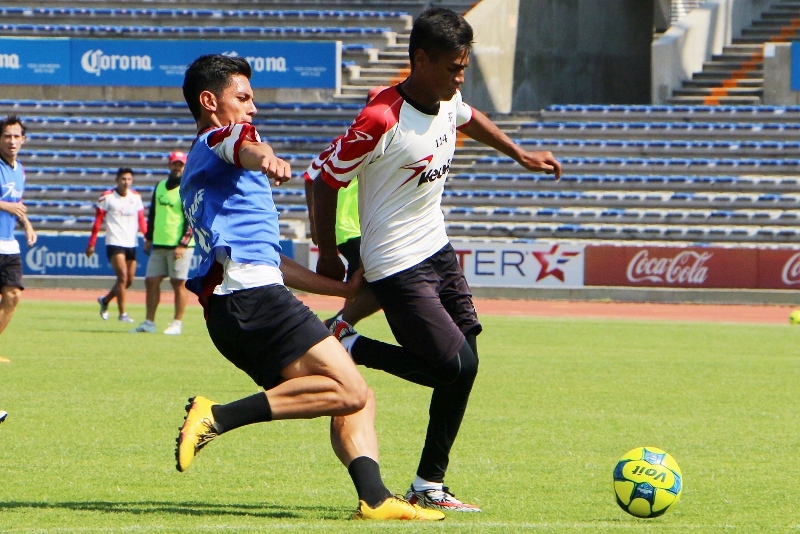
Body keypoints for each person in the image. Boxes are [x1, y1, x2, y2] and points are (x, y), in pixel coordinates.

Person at [175, 53, 444, 522]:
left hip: (235, 308)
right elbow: (245, 142)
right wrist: (268, 158)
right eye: (243, 97)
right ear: (209, 101)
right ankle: (216, 417)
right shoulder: (223, 137)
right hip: (253, 302)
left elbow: (269, 260)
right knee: (351, 391)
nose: (252, 108)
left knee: (351, 392)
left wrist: (340, 291)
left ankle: (375, 498)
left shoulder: (204, 171)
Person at [312, 7, 562, 513]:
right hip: (395, 264)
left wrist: (519, 154)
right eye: (453, 66)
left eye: (465, 66)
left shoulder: (448, 97)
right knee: (451, 366)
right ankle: (347, 341)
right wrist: (327, 254)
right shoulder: (380, 118)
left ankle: (429, 483)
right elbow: (321, 176)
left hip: (437, 250)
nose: (460, 76)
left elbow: (470, 117)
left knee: (465, 365)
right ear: (420, 60)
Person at [303, 87, 386, 328]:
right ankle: (337, 325)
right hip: (347, 228)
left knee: (363, 282)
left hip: (363, 227)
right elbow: (311, 177)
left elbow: (309, 176)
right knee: (385, 280)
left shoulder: (388, 143)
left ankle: (337, 327)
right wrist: (314, 221)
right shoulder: (347, 142)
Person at [131, 151, 194, 335]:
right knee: (151, 281)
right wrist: (148, 237)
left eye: (180, 165)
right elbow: (153, 215)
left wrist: (182, 243)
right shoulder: (159, 187)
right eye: (174, 164)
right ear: (169, 165)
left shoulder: (188, 188)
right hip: (159, 243)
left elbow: (192, 218)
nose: (177, 167)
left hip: (179, 245)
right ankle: (149, 322)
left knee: (178, 283)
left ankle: (177, 322)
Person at [86, 167, 146, 323]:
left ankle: (105, 300)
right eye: (123, 179)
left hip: (131, 242)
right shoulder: (107, 197)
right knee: (122, 277)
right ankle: (123, 314)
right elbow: (98, 221)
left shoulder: (136, 197)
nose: (126, 182)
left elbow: (141, 219)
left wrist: (146, 236)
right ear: (117, 180)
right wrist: (92, 243)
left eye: (129, 179)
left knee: (129, 280)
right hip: (114, 241)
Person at [0, 115, 36, 342]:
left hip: (9, 243)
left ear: (23, 139)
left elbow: (18, 204)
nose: (11, 141)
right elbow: (10, 205)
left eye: (16, 136)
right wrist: (6, 206)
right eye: (6, 136)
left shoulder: (20, 170)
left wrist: (28, 224)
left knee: (13, 296)